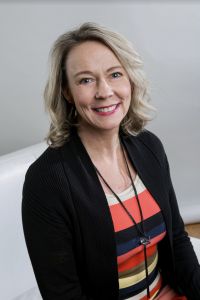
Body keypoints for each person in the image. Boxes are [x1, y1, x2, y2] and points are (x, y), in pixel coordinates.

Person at [22, 22, 200, 300]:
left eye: (115, 74)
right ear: (67, 92)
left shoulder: (149, 146)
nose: (104, 91)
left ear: (129, 79)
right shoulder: (47, 181)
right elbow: (63, 294)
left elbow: (177, 239)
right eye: (85, 80)